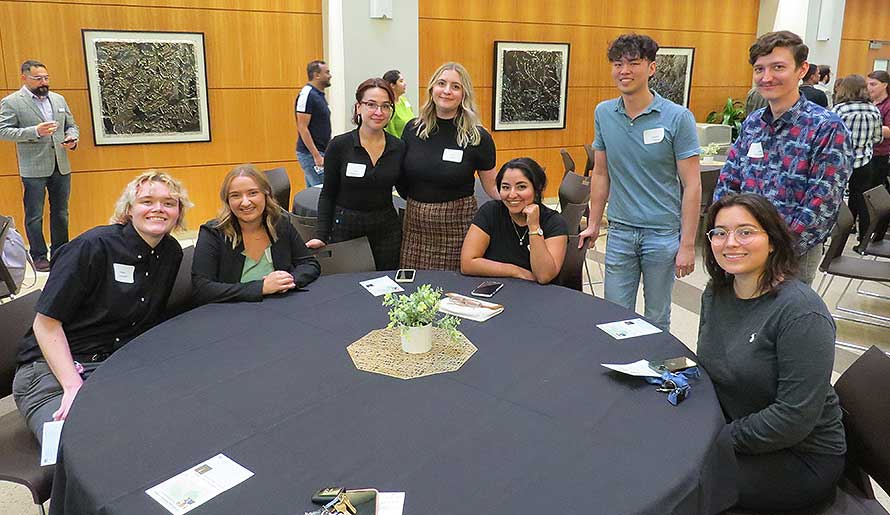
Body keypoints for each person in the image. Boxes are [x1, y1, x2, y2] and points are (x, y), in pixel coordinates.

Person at [12, 170, 191, 441]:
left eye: (169, 203)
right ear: (129, 209)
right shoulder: (92, 247)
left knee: (170, 427)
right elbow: (45, 325)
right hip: (52, 372)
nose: (158, 209)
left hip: (110, 366)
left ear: (178, 212)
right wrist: (73, 387)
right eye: (147, 201)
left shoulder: (169, 253)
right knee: (77, 447)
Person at [697, 193, 845, 512]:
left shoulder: (801, 314)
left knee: (683, 484)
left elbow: (793, 419)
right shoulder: (716, 292)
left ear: (773, 241)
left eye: (746, 232)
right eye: (719, 232)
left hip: (801, 456)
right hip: (739, 428)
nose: (730, 242)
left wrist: (716, 440)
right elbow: (711, 368)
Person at [577, 33, 701, 332]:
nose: (624, 70)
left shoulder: (677, 117)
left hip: (662, 234)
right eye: (618, 64)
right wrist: (594, 223)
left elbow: (692, 185)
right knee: (615, 317)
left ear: (651, 68)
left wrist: (686, 244)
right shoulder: (604, 112)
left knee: (657, 317)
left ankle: (656, 373)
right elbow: (601, 173)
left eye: (634, 63)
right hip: (620, 231)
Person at [715, 31, 851, 287]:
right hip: (742, 247)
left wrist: (774, 250)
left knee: (784, 324)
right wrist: (725, 235)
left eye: (778, 67)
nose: (766, 77)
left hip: (792, 255)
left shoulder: (826, 127)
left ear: (802, 70)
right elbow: (728, 183)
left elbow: (822, 203)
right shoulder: (753, 123)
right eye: (759, 69)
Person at [399, 62, 497, 271]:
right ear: (432, 89)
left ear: (464, 94)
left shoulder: (478, 137)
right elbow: (400, 177)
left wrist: (521, 204)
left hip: (458, 227)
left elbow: (493, 188)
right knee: (414, 290)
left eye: (455, 86)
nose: (446, 91)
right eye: (441, 83)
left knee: (454, 290)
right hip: (416, 227)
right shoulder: (412, 129)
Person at [304, 79, 405, 270]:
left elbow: (406, 188)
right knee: (349, 287)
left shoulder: (398, 147)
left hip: (386, 229)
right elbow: (328, 194)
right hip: (346, 228)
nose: (378, 112)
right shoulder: (339, 146)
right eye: (371, 105)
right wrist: (321, 234)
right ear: (358, 107)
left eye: (385, 106)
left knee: (387, 287)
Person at [192, 164, 320, 305]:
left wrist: (287, 281)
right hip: (232, 311)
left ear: (266, 194)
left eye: (253, 193)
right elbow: (202, 288)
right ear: (227, 201)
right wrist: (262, 288)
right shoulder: (213, 233)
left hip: (282, 306)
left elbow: (309, 263)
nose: (245, 202)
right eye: (235, 195)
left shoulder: (281, 223)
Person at [0, 60, 79, 272]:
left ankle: (61, 252)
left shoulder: (58, 99)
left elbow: (71, 125)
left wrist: (72, 138)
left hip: (61, 165)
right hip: (33, 168)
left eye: (46, 78)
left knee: (61, 212)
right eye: (38, 78)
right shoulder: (12, 102)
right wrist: (35, 131)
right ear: (24, 78)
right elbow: (3, 131)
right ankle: (39, 255)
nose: (43, 82)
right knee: (35, 215)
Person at [461, 157, 568, 284]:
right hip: (499, 290)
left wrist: (534, 227)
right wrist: (515, 271)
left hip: (540, 296)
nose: (512, 195)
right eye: (505, 187)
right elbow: (467, 263)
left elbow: (544, 276)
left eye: (521, 187)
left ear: (537, 189)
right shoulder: (490, 212)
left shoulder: (554, 222)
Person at [832, 75, 882, 240]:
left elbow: (831, 136)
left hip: (841, 161)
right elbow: (877, 138)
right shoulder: (873, 109)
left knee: (836, 197)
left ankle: (839, 232)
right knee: (860, 198)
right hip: (865, 162)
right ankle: (863, 235)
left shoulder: (840, 110)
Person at [295, 60, 332, 187]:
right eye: (327, 72)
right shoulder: (307, 95)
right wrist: (316, 155)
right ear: (316, 75)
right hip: (310, 154)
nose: (330, 75)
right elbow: (302, 127)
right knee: (321, 192)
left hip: (321, 151)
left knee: (313, 192)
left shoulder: (318, 95)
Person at [867, 70, 890, 189]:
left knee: (874, 189)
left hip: (880, 154)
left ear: (885, 85)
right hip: (866, 152)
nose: (869, 88)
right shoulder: (869, 103)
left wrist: (866, 126)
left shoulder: (888, 105)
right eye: (868, 84)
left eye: (873, 84)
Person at [383, 69, 415, 138]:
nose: (405, 83)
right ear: (392, 85)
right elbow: (389, 131)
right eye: (401, 81)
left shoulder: (404, 100)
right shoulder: (388, 106)